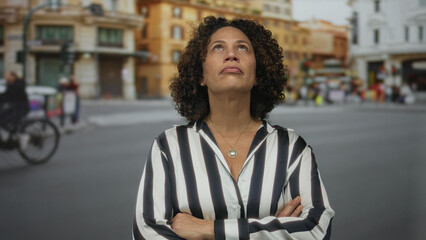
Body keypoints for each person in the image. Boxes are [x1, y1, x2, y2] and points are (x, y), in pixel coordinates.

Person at [133, 16, 335, 239]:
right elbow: (147, 232)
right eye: (218, 47)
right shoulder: (168, 147)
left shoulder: (291, 148)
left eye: (242, 48)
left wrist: (205, 230)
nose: (231, 54)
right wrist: (273, 229)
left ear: (257, 74)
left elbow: (316, 229)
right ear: (201, 75)